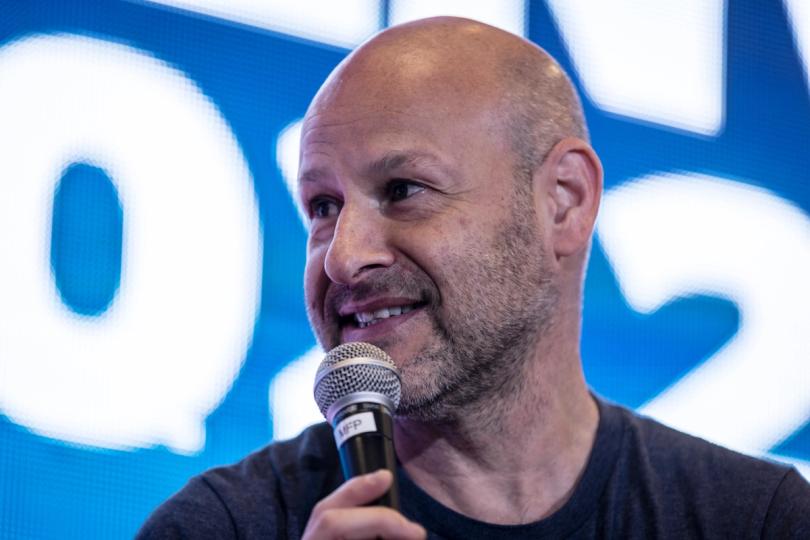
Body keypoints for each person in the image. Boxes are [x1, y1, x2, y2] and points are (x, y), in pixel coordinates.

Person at [138, 16, 810, 539]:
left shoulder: (755, 521)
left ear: (565, 201)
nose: (343, 257)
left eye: (403, 189)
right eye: (322, 207)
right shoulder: (222, 528)